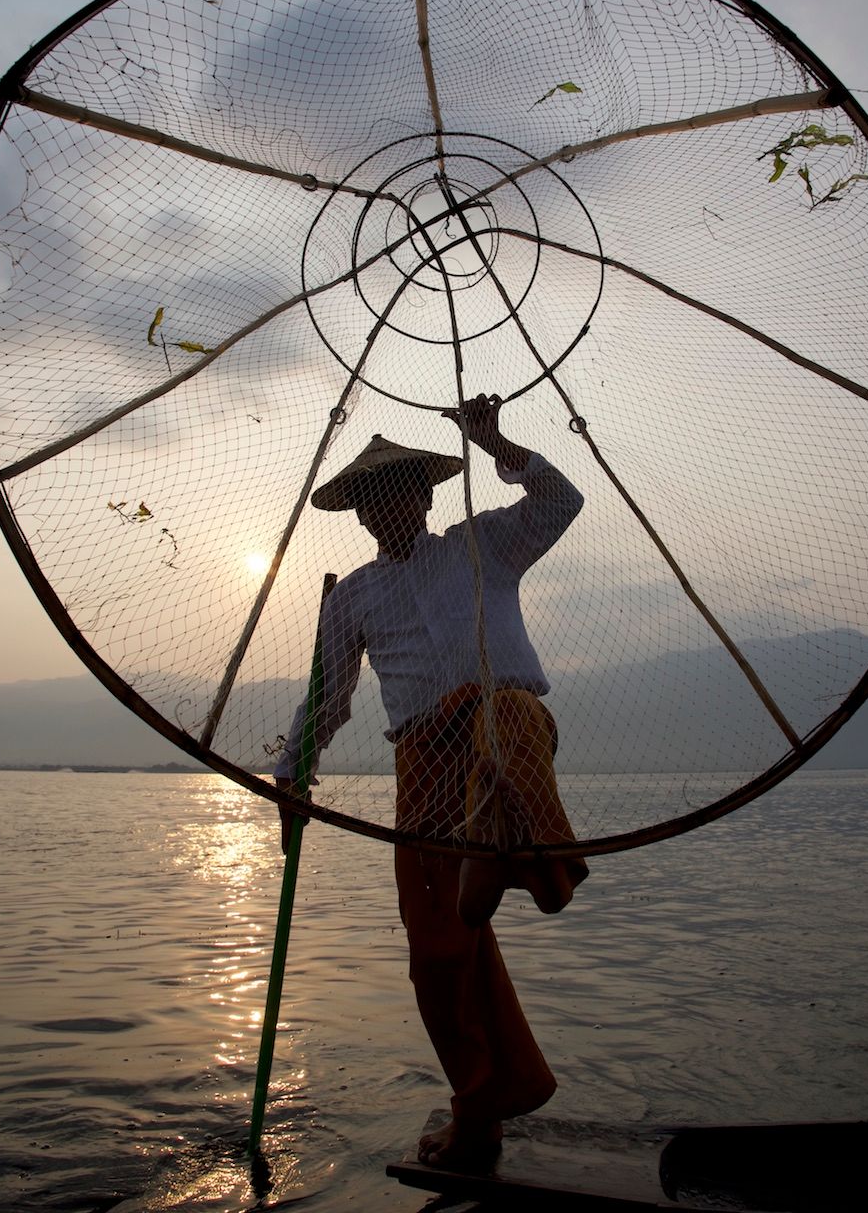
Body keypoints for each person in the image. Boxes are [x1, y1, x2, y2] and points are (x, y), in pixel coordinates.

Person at [274, 394, 587, 1169]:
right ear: (360, 516)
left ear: (425, 495)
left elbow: (560, 500)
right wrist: (291, 779)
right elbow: (328, 697)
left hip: (501, 730)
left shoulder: (483, 546)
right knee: (438, 957)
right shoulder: (351, 596)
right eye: (371, 501)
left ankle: (531, 859)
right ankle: (483, 1107)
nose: (388, 509)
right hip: (422, 769)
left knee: (503, 716)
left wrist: (493, 440)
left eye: (400, 493)